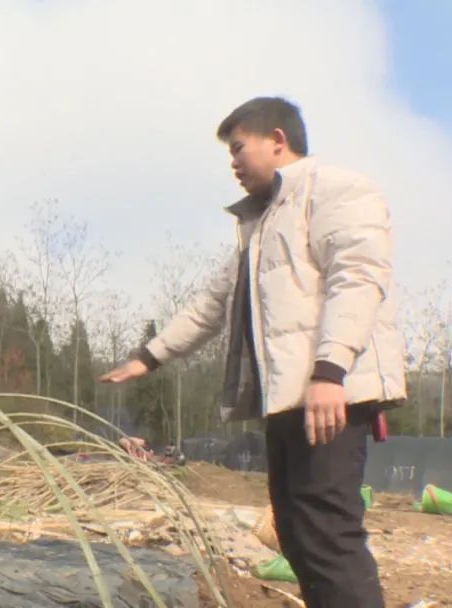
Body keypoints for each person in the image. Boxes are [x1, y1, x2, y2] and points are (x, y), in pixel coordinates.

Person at [100, 97, 405, 608]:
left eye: (239, 148)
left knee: (327, 529)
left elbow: (358, 277)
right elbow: (210, 305)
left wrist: (330, 370)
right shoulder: (258, 229)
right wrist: (148, 358)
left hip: (331, 394)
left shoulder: (336, 189)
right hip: (288, 400)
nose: (233, 164)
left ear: (278, 141)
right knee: (294, 526)